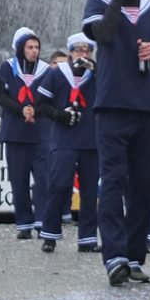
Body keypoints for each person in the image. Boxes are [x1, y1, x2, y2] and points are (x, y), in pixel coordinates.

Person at [82, 0, 150, 286]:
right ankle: (114, 257)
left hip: (147, 108)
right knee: (114, 181)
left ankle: (134, 257)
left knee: (144, 184)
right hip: (112, 107)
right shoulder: (99, 3)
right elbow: (103, 35)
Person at [36, 34, 101, 253]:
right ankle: (49, 232)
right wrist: (59, 115)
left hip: (91, 137)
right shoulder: (57, 73)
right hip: (64, 137)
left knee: (91, 190)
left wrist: (97, 70)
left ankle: (88, 238)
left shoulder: (97, 74)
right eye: (78, 50)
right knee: (60, 184)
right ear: (70, 52)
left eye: (87, 50)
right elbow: (42, 104)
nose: (82, 54)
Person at [0, 27, 50, 238]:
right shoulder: (8, 67)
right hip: (15, 132)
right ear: (21, 49)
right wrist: (21, 109)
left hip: (40, 132)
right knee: (18, 181)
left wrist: (35, 109)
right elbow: (0, 95)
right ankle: (24, 224)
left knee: (43, 179)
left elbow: (50, 97)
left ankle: (43, 221)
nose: (34, 51)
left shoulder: (46, 70)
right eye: (30, 47)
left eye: (37, 47)